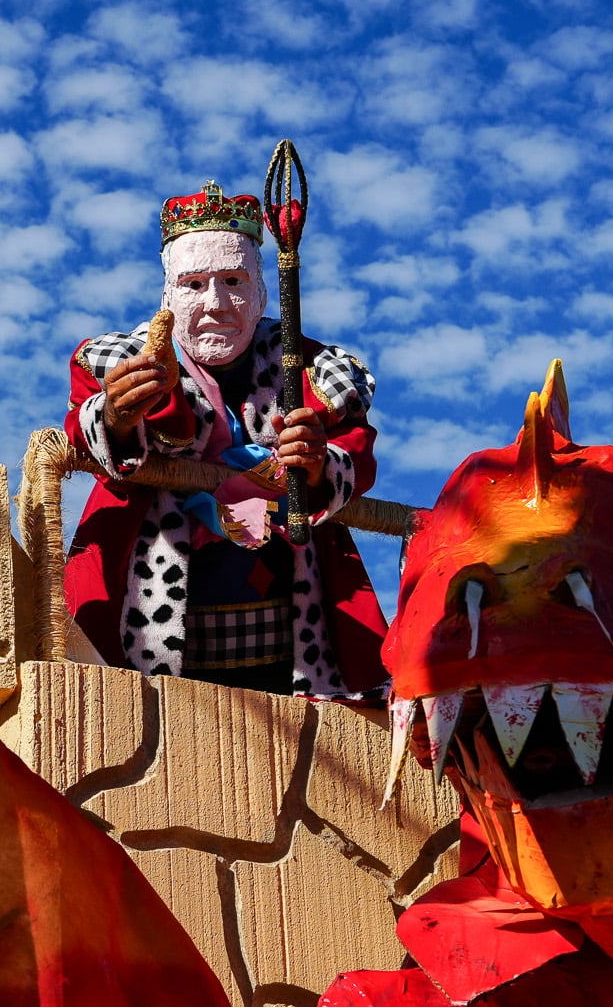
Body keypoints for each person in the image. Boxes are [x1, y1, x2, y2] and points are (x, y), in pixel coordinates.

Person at [63, 180, 389, 697]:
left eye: (234, 280)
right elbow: (88, 431)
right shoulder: (115, 362)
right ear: (167, 297)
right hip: (149, 617)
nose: (216, 303)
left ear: (262, 292)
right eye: (193, 284)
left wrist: (317, 462)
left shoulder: (313, 370)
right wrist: (121, 418)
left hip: (294, 633)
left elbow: (353, 448)